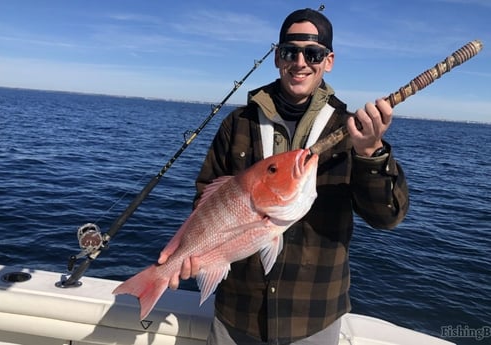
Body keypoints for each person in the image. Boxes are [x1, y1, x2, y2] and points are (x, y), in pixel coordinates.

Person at [160, 7, 409, 345]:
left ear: (329, 60)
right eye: (290, 51)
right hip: (237, 313)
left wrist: (371, 154)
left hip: (313, 315)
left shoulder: (351, 130)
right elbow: (206, 198)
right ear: (278, 57)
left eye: (313, 53)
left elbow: (388, 217)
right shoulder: (238, 123)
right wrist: (188, 253)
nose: (300, 61)